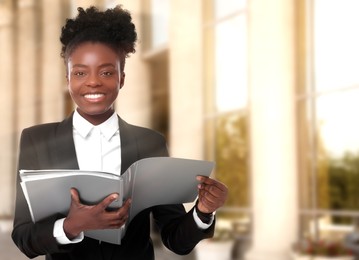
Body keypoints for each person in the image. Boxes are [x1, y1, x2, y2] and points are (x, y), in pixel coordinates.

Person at [12, 5, 228, 260]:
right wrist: (72, 225)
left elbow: (175, 240)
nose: (93, 81)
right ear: (68, 78)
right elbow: (24, 238)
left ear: (122, 78)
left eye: (106, 72)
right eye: (81, 72)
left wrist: (203, 211)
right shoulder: (37, 140)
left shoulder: (150, 143)